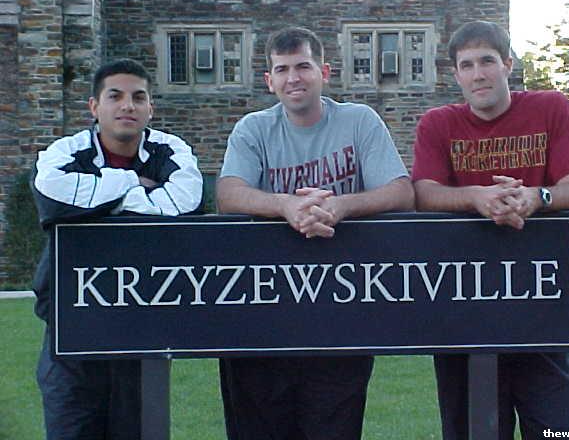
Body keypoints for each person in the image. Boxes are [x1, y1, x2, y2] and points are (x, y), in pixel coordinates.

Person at [216, 26, 414, 440]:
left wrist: (340, 207)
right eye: (282, 70)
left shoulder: (359, 121)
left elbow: (400, 192)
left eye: (303, 66)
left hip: (341, 307)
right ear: (269, 80)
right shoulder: (253, 129)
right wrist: (286, 206)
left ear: (324, 72)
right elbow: (229, 195)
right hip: (265, 309)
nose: (294, 78)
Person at [412, 20, 569, 440]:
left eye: (487, 61)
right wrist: (477, 198)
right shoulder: (438, 124)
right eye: (467, 65)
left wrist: (536, 197)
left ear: (508, 65)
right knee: (471, 428)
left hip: (542, 297)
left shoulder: (550, 108)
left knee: (554, 428)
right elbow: (423, 193)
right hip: (464, 300)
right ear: (456, 75)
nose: (478, 74)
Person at [31, 58, 203, 439]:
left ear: (150, 108)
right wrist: (133, 183)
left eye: (138, 97)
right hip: (71, 336)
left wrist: (96, 203)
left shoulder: (170, 150)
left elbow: (184, 204)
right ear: (94, 106)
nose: (128, 105)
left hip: (141, 335)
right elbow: (52, 195)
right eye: (116, 96)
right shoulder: (66, 153)